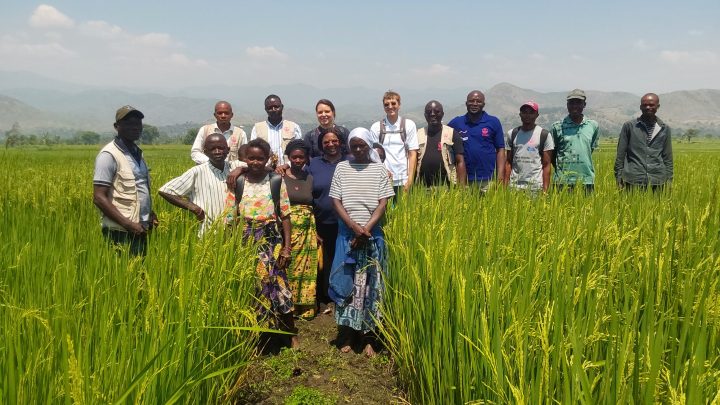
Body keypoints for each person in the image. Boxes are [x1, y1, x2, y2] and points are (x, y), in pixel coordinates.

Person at [329, 128, 395, 357]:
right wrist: (354, 227)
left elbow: (383, 203)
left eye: (362, 146)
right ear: (348, 146)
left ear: (369, 146)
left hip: (371, 236)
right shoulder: (341, 168)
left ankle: (369, 337)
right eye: (354, 146)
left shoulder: (379, 171)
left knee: (371, 287)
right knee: (347, 284)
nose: (358, 150)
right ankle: (347, 333)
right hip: (348, 236)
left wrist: (365, 229)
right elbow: (335, 200)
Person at [234, 138, 298, 348]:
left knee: (280, 283)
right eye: (251, 158)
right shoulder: (239, 182)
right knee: (254, 286)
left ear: (267, 159)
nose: (255, 162)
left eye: (260, 158)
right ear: (245, 158)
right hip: (246, 241)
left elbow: (286, 216)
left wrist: (287, 249)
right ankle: (259, 335)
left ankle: (290, 332)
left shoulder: (275, 181)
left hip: (271, 238)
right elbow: (230, 216)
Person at [93, 106, 158, 256]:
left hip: (140, 227)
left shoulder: (137, 153)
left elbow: (138, 188)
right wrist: (128, 224)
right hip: (120, 231)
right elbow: (99, 197)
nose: (135, 127)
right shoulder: (108, 155)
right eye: (128, 123)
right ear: (117, 127)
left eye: (138, 123)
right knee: (122, 276)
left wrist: (149, 213)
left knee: (139, 275)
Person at [159, 134, 245, 236]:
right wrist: (194, 208)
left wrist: (241, 169)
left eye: (221, 148)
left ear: (228, 150)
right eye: (212, 149)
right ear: (205, 152)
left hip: (234, 232)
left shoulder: (235, 165)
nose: (217, 152)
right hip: (208, 233)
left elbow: (262, 167)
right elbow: (166, 190)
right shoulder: (197, 171)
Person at [306, 130, 348, 314]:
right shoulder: (313, 164)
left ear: (340, 142)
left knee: (343, 258)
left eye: (335, 140)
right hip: (321, 220)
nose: (331, 144)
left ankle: (343, 293)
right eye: (326, 141)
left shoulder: (349, 161)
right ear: (321, 144)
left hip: (346, 221)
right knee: (325, 260)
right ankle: (325, 297)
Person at [282, 139, 320, 319]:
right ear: (288, 157)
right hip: (288, 229)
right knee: (288, 267)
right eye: (294, 157)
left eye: (301, 157)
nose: (298, 160)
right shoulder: (279, 177)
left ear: (306, 159)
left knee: (307, 268)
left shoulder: (310, 178)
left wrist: (316, 232)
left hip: (308, 230)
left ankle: (305, 307)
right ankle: (289, 306)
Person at [447, 90, 505, 191]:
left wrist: (500, 175)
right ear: (466, 103)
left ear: (483, 104)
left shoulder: (493, 122)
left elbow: (500, 149)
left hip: (488, 179)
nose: (474, 104)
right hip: (463, 180)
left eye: (478, 101)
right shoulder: (456, 123)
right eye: (471, 101)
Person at [614, 93, 673, 192]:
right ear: (640, 107)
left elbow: (667, 157)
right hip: (633, 179)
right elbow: (620, 154)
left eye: (651, 105)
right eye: (644, 105)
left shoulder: (664, 129)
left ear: (657, 106)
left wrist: (669, 180)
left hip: (658, 180)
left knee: (657, 207)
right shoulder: (629, 126)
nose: (648, 107)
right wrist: (618, 178)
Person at [369, 91, 419, 194]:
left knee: (403, 210)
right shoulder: (376, 128)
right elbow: (374, 155)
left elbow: (412, 153)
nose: (390, 107)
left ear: (399, 105)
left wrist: (410, 179)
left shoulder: (409, 125)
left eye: (393, 103)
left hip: (403, 179)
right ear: (383, 107)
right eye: (386, 104)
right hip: (384, 180)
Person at [551, 89, 600, 194]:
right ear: (567, 105)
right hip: (562, 180)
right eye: (571, 103)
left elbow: (589, 149)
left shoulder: (593, 126)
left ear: (584, 104)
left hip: (586, 180)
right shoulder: (557, 126)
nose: (574, 106)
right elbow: (552, 153)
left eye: (578, 102)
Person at [503, 101, 555, 193]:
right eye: (525, 112)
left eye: (531, 112)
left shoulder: (544, 135)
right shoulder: (512, 134)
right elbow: (508, 162)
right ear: (520, 114)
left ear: (537, 115)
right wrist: (505, 187)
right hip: (514, 186)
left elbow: (547, 165)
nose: (527, 115)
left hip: (535, 187)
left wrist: (545, 190)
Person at [416, 100, 467, 186]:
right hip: (422, 189)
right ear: (425, 115)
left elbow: (460, 161)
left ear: (442, 114)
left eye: (437, 111)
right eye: (429, 112)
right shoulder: (418, 134)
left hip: (447, 187)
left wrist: (461, 188)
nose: (432, 114)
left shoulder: (452, 133)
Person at [250, 95, 302, 169]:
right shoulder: (257, 128)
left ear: (282, 107)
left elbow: (299, 152)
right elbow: (253, 153)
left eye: (276, 106)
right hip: (264, 173)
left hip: (288, 172)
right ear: (265, 109)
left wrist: (287, 165)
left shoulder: (294, 127)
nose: (273, 109)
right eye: (270, 108)